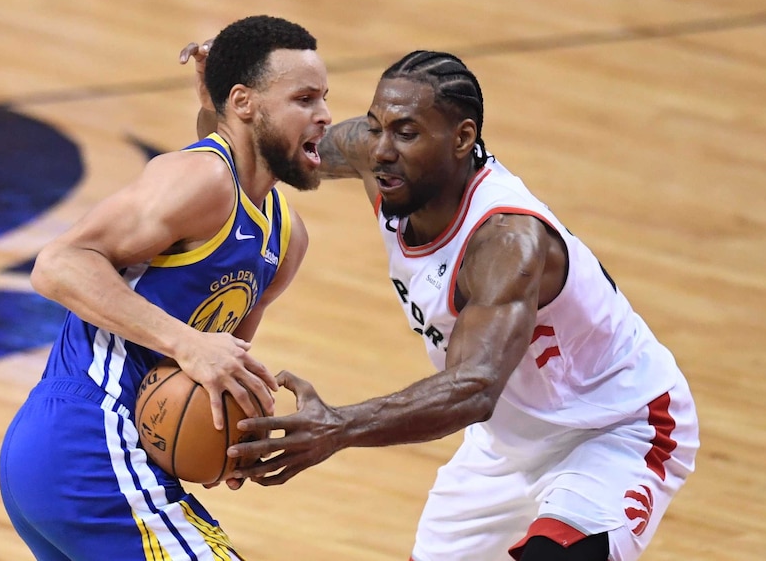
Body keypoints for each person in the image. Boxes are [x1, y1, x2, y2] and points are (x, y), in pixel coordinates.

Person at [203, 49, 699, 561]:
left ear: (462, 139)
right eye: (376, 127)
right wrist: (223, 99)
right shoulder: (377, 161)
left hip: (616, 426)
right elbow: (258, 151)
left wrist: (339, 426)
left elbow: (474, 388)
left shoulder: (506, 240)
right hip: (507, 439)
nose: (381, 150)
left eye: (407, 132)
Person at [0, 15, 331, 561]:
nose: (324, 115)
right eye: (304, 98)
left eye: (324, 98)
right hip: (91, 439)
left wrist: (234, 441)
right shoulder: (201, 180)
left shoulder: (286, 237)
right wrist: (187, 342)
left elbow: (222, 367)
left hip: (97, 457)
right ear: (245, 103)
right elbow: (57, 264)